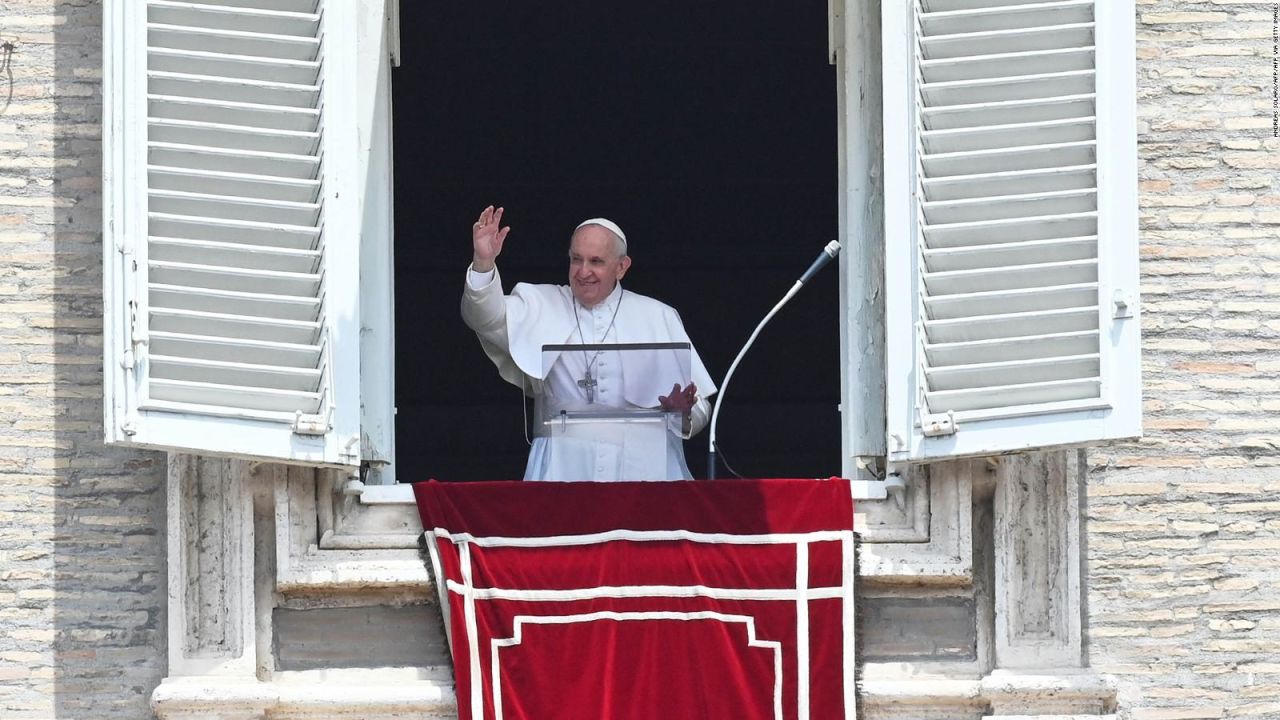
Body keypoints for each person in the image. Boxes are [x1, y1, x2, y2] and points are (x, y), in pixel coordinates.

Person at [462, 205, 717, 481]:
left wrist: (684, 412)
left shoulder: (657, 315)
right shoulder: (540, 303)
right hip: (562, 466)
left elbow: (700, 406)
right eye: (576, 259)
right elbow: (484, 318)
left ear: (622, 267)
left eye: (596, 261)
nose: (583, 272)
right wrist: (483, 262)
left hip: (645, 468)